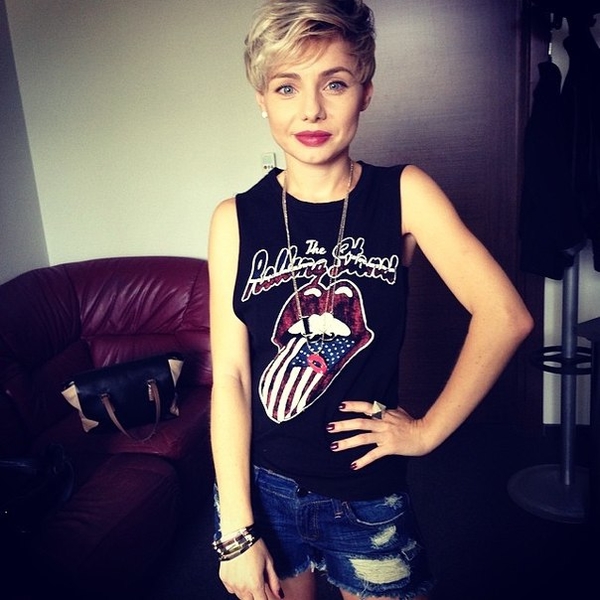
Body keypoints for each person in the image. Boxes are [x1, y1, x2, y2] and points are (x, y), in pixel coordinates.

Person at [208, 1, 534, 599]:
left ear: (365, 93)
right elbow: (230, 376)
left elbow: (506, 316)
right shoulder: (234, 219)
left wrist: (427, 432)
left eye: (334, 83)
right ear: (262, 99)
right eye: (286, 87)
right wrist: (236, 528)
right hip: (263, 488)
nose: (311, 109)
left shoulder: (404, 193)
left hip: (366, 493)